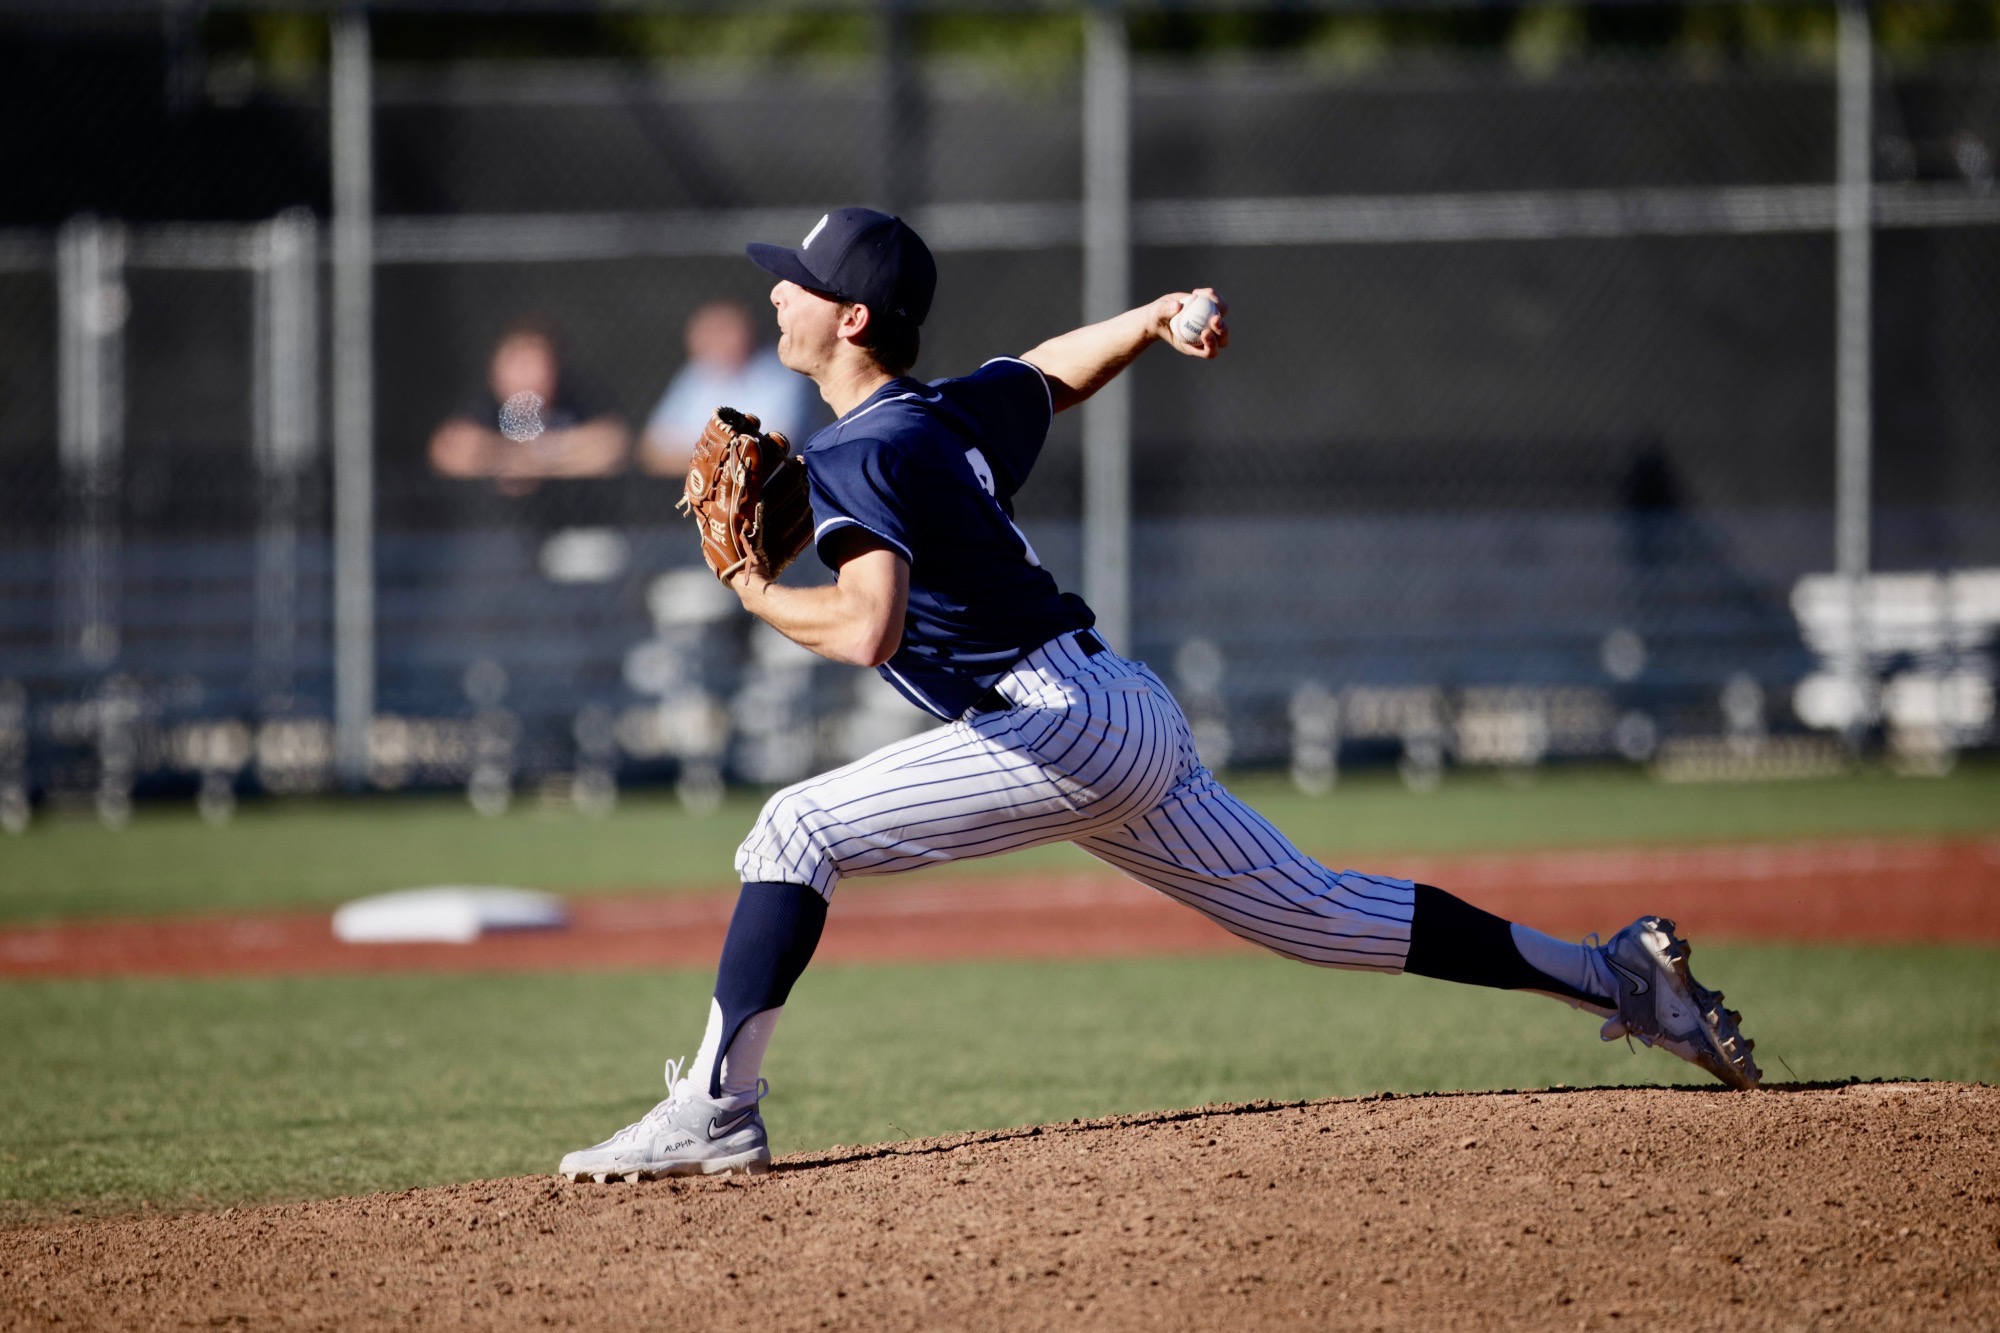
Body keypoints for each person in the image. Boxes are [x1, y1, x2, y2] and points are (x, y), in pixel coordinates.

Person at [558, 207, 1760, 1183]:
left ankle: (716, 1107)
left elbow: (868, 627)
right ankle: (1614, 976)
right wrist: (1150, 316)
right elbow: (1045, 374)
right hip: (1114, 711)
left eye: (799, 281)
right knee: (1322, 915)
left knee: (792, 827)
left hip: (1052, 723)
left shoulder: (857, 450)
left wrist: (753, 589)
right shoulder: (935, 417)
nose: (777, 291)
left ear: (851, 317)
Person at [429, 318, 630, 495]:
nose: (526, 375)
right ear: (495, 369)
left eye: (534, 363)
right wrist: (559, 455)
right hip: (491, 523)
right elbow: (450, 453)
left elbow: (611, 447)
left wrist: (516, 459)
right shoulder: (483, 405)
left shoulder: (576, 398)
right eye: (517, 363)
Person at [639, 299, 820, 478]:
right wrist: (723, 457)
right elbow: (652, 450)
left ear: (747, 331)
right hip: (694, 487)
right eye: (707, 331)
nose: (713, 339)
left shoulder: (780, 373)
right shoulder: (694, 374)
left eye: (722, 330)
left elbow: (769, 452)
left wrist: (695, 456)